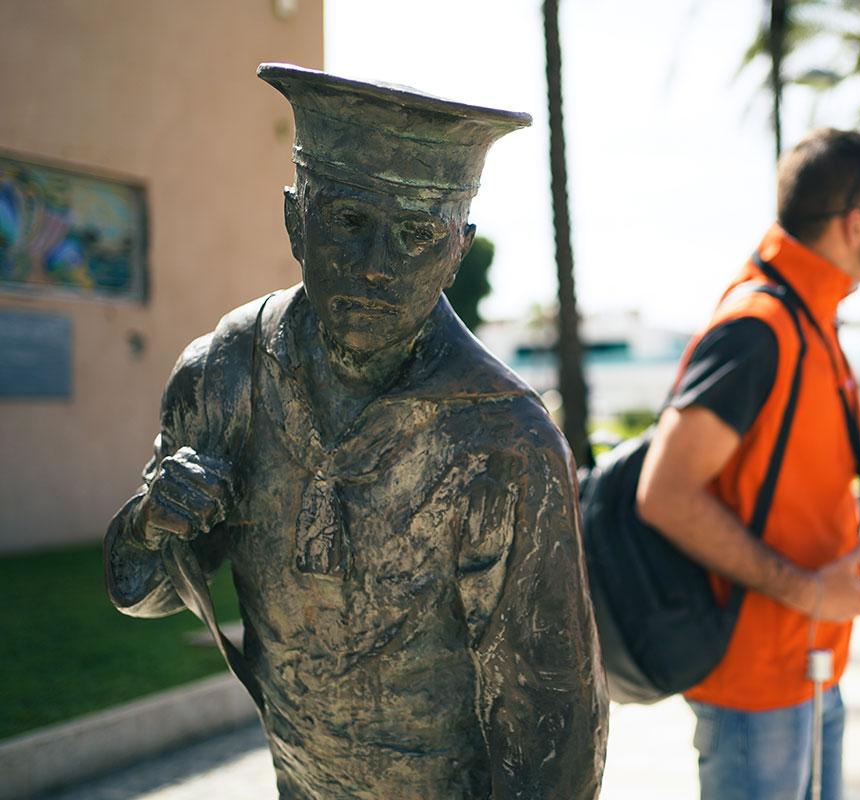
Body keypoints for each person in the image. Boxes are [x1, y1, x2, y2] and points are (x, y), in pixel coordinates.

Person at [103, 64, 607, 799]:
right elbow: (144, 592)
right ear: (295, 219)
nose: (376, 269)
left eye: (416, 235)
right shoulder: (225, 373)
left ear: (457, 248)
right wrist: (154, 523)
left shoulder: (503, 441)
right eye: (347, 221)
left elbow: (552, 720)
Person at [636, 128, 860, 800]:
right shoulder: (758, 329)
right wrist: (807, 591)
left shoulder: (812, 319)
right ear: (855, 224)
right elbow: (664, 493)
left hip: (813, 668)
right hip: (757, 690)